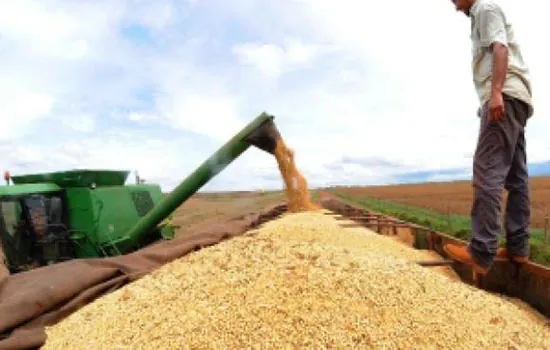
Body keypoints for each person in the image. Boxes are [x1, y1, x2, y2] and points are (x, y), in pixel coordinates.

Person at [444, 0, 534, 275]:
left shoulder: (485, 9)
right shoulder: (482, 12)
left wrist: (495, 93)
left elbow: (499, 48)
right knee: (516, 177)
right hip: (516, 99)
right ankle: (518, 249)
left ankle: (481, 250)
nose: (454, 6)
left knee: (487, 171)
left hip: (504, 97)